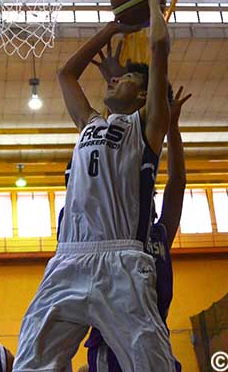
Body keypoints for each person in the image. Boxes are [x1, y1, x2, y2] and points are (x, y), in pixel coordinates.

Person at [13, 0, 176, 372]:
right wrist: (114, 26)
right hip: (68, 258)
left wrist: (153, 5)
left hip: (120, 258)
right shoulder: (89, 123)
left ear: (143, 96)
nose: (115, 78)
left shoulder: (148, 126)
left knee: (152, 365)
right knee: (31, 364)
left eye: (128, 79)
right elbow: (66, 74)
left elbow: (158, 48)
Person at [81, 79, 191, 372]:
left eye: (149, 192)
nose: (146, 195)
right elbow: (110, 157)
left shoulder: (158, 233)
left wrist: (173, 128)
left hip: (154, 337)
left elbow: (177, 182)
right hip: (111, 343)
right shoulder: (115, 229)